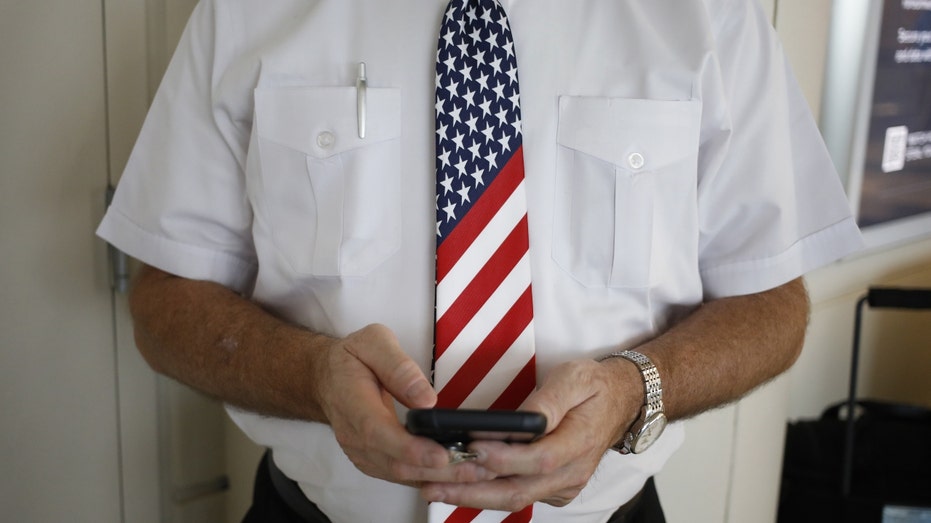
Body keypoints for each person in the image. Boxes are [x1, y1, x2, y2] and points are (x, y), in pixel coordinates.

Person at [97, 0, 864, 521]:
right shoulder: (247, 10)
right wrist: (313, 378)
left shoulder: (709, 14)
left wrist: (636, 390)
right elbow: (168, 295)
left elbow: (770, 302)